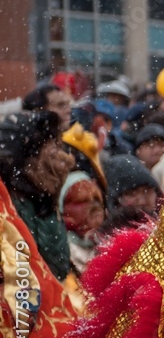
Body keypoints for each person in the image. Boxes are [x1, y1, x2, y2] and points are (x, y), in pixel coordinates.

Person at [0, 111, 76, 281]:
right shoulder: (9, 205)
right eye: (51, 146)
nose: (59, 155)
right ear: (27, 159)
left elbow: (58, 266)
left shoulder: (42, 198)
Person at [101, 154, 162, 232]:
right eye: (131, 194)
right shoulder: (103, 238)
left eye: (147, 192)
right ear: (116, 200)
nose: (142, 201)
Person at [59, 171, 105, 273]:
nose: (92, 205)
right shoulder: (62, 249)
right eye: (82, 201)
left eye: (96, 199)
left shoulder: (105, 242)